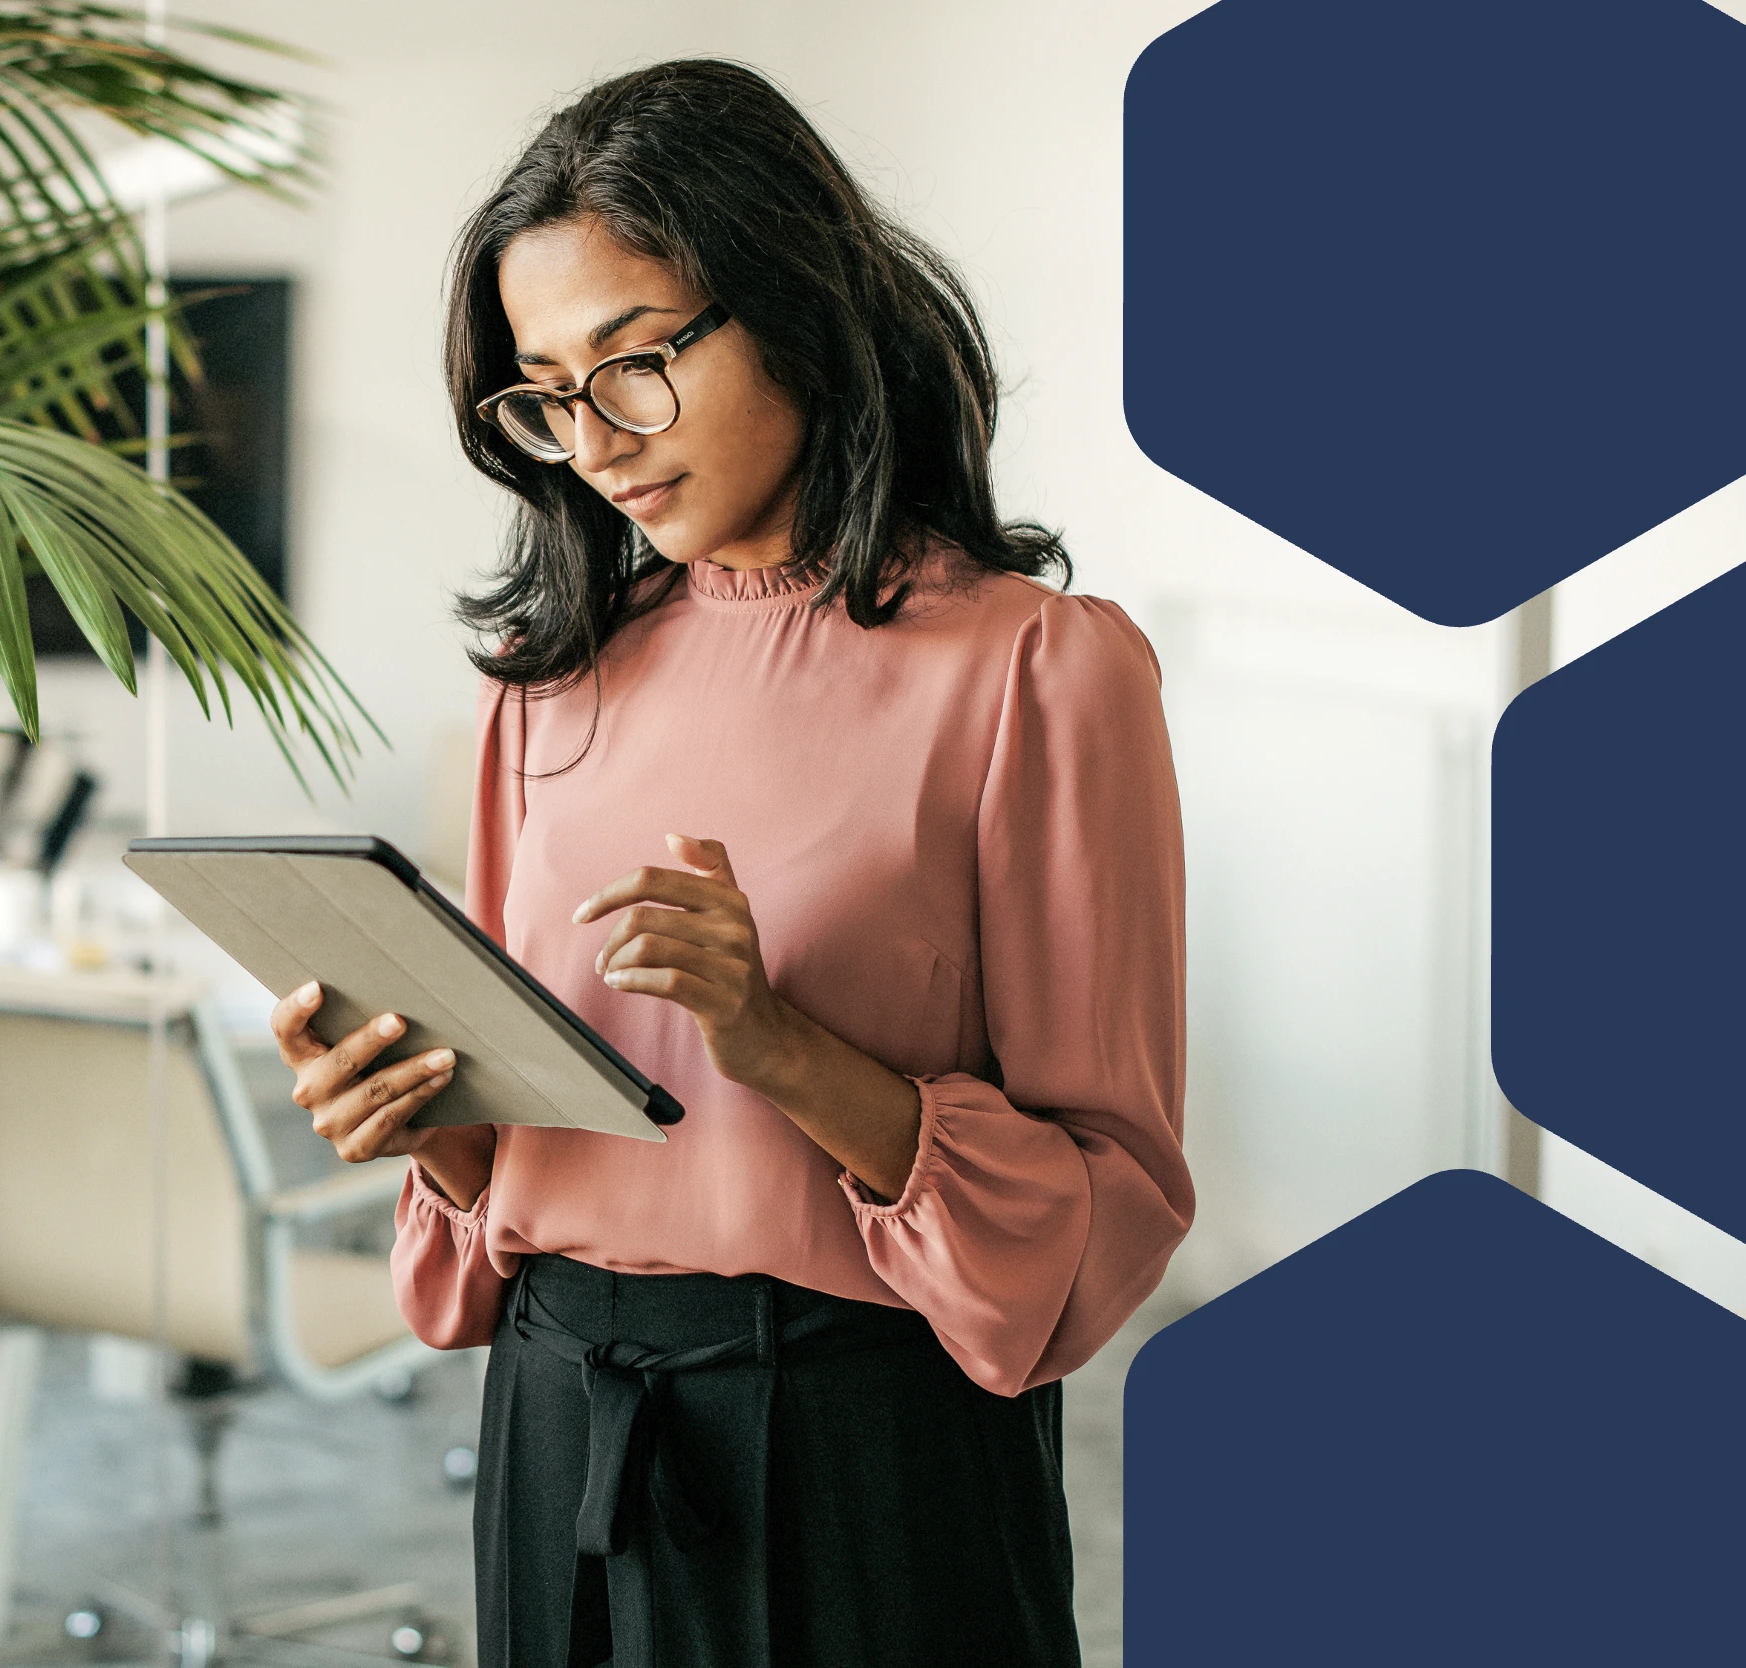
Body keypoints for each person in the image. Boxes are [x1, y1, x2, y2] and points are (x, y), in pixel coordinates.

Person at [267, 59, 1191, 1668]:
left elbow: (1107, 1215)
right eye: (545, 394)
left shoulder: (1037, 672)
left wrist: (777, 1044)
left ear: (796, 306)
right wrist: (436, 1131)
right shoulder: (543, 685)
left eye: (635, 364)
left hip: (862, 1449)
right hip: (559, 1415)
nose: (592, 441)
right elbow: (533, 1181)